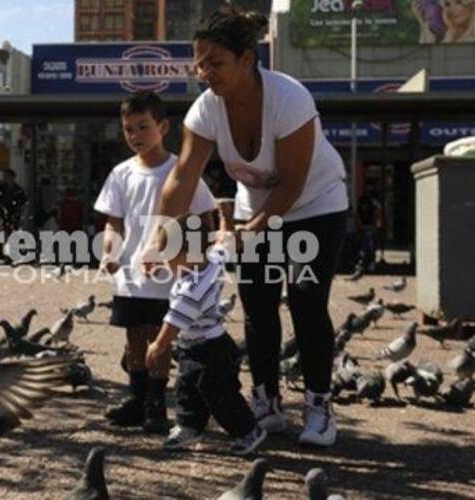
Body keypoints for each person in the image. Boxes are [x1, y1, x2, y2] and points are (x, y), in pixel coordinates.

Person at [146, 5, 348, 447]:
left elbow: (292, 183)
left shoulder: (289, 98)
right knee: (257, 305)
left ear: (245, 59)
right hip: (252, 208)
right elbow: (182, 176)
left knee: (306, 299)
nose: (204, 73)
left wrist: (256, 227)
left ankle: (318, 406)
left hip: (316, 205)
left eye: (214, 63)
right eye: (198, 63)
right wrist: (160, 235)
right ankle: (267, 401)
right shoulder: (205, 110)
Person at [94, 91, 216, 434]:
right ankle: (135, 397)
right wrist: (110, 250)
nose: (135, 136)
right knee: (134, 337)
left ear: (163, 127)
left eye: (143, 127)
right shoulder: (120, 174)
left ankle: (157, 403)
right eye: (128, 129)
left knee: (158, 339)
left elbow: (205, 217)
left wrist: (191, 257)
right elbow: (113, 221)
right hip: (131, 274)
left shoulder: (182, 170)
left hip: (167, 274)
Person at [145, 214, 266, 455]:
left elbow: (174, 321)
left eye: (168, 256)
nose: (165, 261)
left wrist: (158, 346)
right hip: (202, 345)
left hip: (209, 351)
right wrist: (224, 217)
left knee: (219, 395)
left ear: (187, 254)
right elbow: (224, 244)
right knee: (187, 387)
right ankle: (189, 426)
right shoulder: (210, 260)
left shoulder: (193, 290)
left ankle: (248, 430)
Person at [357, 188, 382, 271]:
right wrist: (377, 225)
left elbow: (359, 214)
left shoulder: (362, 201)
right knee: (370, 246)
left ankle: (363, 263)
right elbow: (377, 215)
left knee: (365, 245)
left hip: (366, 227)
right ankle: (369, 263)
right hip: (370, 226)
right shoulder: (374, 203)